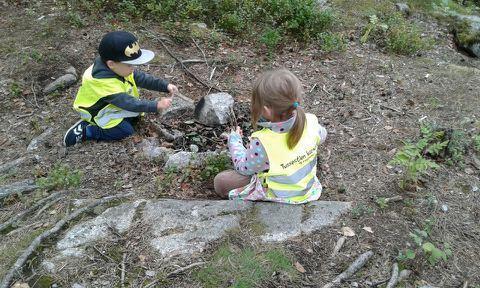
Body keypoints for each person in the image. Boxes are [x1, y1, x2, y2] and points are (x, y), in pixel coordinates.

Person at [214, 69, 327, 204]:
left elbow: (243, 168)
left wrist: (234, 141)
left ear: (266, 110)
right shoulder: (311, 121)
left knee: (221, 182)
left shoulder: (263, 142)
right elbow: (323, 136)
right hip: (308, 191)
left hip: (279, 195)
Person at [63, 31, 178, 147]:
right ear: (111, 64)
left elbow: (142, 78)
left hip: (113, 105)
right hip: (98, 111)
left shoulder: (118, 68)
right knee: (125, 131)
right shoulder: (103, 83)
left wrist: (165, 86)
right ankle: (88, 130)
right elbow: (130, 103)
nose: (133, 68)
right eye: (130, 65)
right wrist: (156, 105)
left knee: (134, 118)